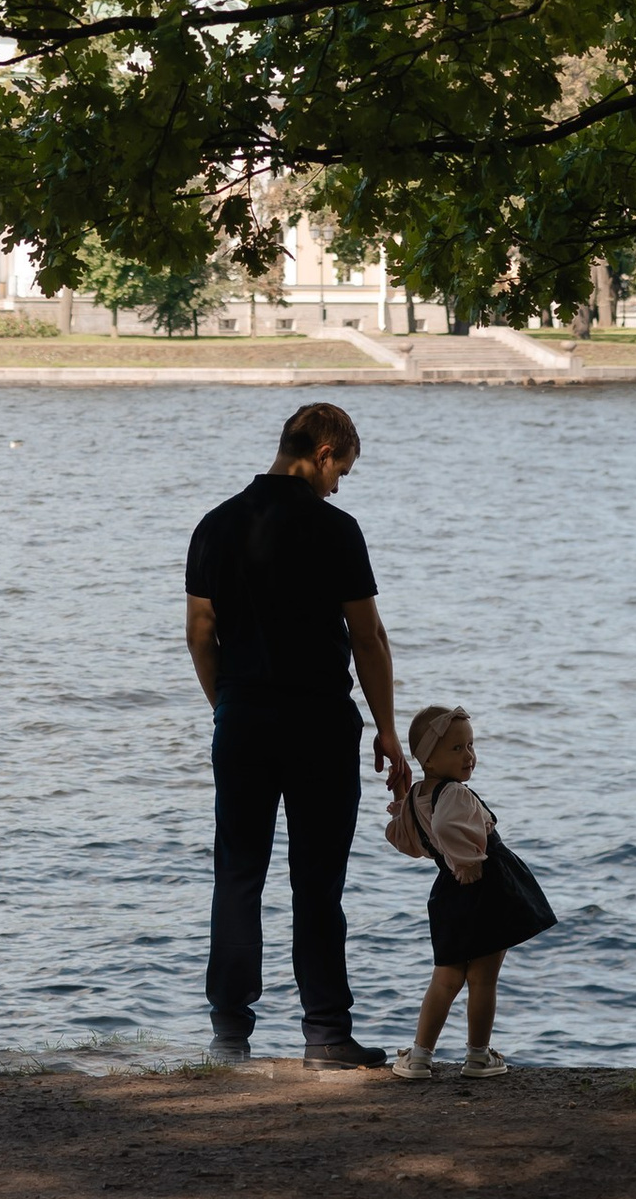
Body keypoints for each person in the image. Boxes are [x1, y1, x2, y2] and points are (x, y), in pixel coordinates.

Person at [185, 399, 407, 1068]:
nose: (339, 486)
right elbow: (367, 638)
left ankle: (229, 1037)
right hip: (319, 725)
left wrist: (225, 704)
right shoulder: (335, 529)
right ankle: (327, 1036)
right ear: (324, 454)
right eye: (341, 471)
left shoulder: (216, 525)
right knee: (317, 884)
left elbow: (200, 634)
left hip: (244, 721)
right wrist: (389, 732)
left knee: (238, 876)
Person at [385, 700, 556, 1075]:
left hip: (449, 892)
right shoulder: (456, 794)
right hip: (484, 884)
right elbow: (449, 829)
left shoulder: (417, 797)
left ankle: (419, 1056)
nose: (469, 756)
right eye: (457, 748)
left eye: (471, 745)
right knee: (483, 978)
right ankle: (477, 1055)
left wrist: (400, 797)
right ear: (428, 760)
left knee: (446, 977)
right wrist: (467, 863)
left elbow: (409, 842)